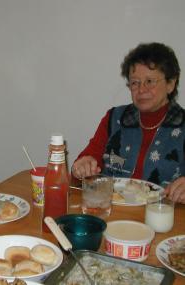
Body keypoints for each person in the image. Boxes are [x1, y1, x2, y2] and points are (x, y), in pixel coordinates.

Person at [71, 42, 185, 204]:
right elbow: (84, 165)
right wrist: (80, 168)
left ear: (170, 83)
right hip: (111, 213)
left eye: (150, 81)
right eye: (134, 82)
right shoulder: (115, 118)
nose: (141, 89)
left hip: (162, 217)